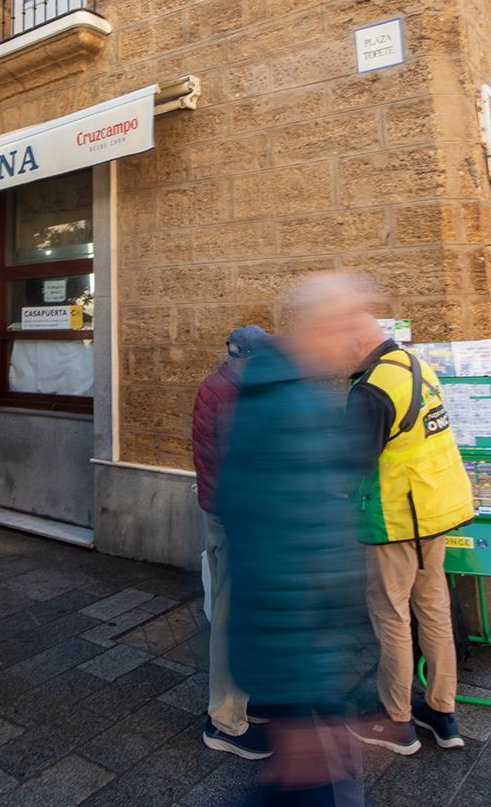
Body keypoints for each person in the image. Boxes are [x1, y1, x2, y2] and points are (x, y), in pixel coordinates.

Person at [217, 273, 375, 806]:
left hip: (306, 657)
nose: (357, 337)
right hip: (298, 661)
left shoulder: (290, 393)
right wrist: (298, 689)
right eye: (350, 322)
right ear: (319, 325)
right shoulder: (286, 406)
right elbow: (276, 552)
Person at [343, 310, 475, 755]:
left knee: (392, 614)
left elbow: (355, 462)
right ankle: (442, 712)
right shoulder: (418, 368)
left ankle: (395, 719)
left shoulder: (374, 387)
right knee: (433, 608)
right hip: (435, 510)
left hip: (397, 519)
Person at [192, 324, 274, 760]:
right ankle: (224, 720)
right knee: (230, 615)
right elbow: (220, 466)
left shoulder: (243, 389)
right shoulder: (219, 392)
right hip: (234, 518)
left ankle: (247, 698)